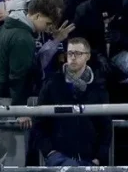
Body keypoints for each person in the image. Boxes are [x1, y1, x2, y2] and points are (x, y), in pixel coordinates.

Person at [0, 0, 63, 167]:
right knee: (12, 161)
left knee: (6, 158)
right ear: (37, 15)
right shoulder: (23, 38)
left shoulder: (8, 25)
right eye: (47, 23)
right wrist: (20, 110)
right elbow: (18, 77)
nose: (47, 28)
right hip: (9, 101)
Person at [34, 37, 112, 167]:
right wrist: (50, 152)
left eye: (78, 53)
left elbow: (105, 127)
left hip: (90, 160)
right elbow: (39, 121)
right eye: (70, 53)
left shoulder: (98, 87)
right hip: (58, 158)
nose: (73, 57)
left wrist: (98, 158)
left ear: (87, 56)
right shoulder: (52, 83)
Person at [71, 0, 128, 103]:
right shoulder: (83, 11)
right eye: (102, 18)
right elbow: (76, 43)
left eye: (110, 17)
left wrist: (122, 39)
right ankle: (81, 107)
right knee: (76, 59)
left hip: (121, 55)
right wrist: (96, 56)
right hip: (93, 58)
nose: (106, 20)